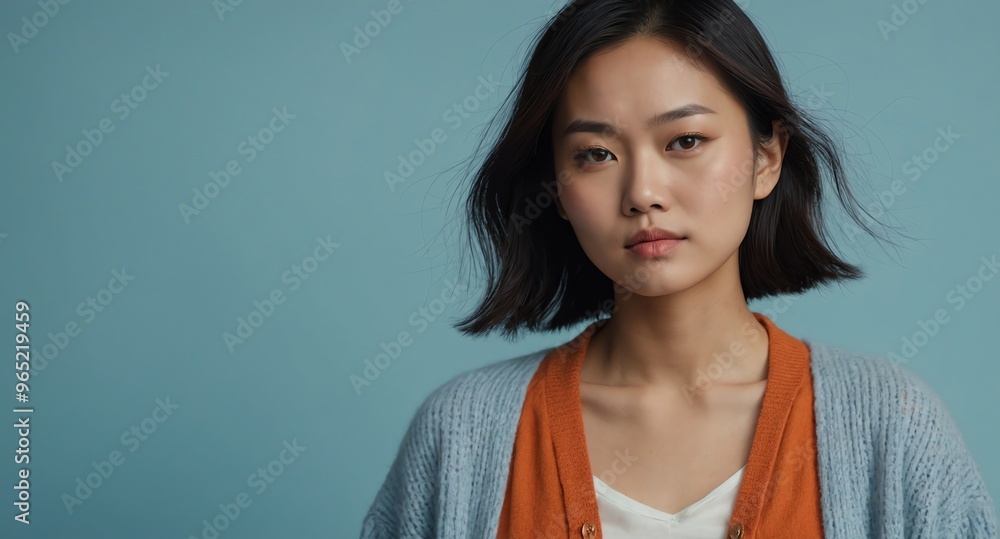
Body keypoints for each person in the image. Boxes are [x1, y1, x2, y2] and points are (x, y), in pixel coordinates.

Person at [360, 0, 999, 537]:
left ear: (767, 158)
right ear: (555, 186)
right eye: (596, 153)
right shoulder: (463, 437)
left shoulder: (891, 424)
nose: (642, 191)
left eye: (685, 141)